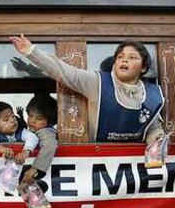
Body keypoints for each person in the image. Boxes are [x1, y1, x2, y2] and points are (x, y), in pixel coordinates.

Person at [9, 34, 165, 143]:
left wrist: (158, 141)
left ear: (143, 67)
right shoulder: (98, 82)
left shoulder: (152, 93)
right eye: (120, 56)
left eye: (132, 57)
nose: (124, 59)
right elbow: (64, 72)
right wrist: (31, 52)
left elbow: (153, 127)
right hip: (97, 159)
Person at [18, 95, 58, 182]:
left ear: (50, 121)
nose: (32, 121)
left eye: (38, 118)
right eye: (30, 116)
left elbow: (50, 145)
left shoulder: (46, 132)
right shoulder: (37, 129)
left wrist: (36, 168)